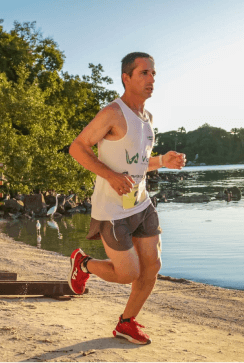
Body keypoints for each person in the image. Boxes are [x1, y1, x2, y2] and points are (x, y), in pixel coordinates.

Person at [68, 52, 186, 345]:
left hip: (142, 203)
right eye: (144, 73)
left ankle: (126, 322)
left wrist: (163, 160)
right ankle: (83, 264)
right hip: (112, 210)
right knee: (127, 273)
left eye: (153, 73)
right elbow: (78, 147)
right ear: (126, 77)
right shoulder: (112, 113)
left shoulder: (147, 118)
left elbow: (139, 162)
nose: (152, 79)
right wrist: (109, 175)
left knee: (152, 266)